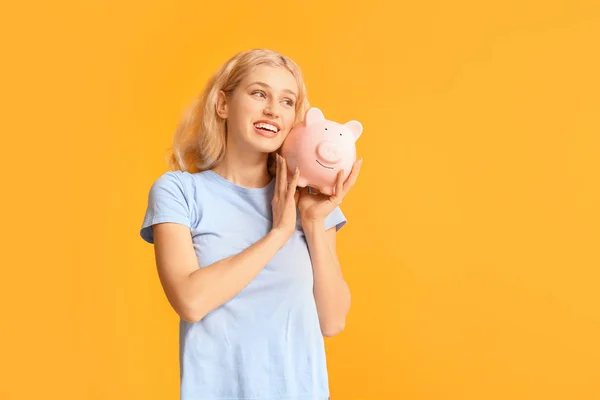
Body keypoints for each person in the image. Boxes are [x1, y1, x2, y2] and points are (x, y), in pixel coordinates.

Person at [139, 48, 362, 400]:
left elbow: (332, 321)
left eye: (287, 102)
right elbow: (190, 301)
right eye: (259, 94)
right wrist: (278, 234)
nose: (273, 109)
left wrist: (313, 222)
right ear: (223, 104)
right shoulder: (180, 191)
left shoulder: (309, 200)